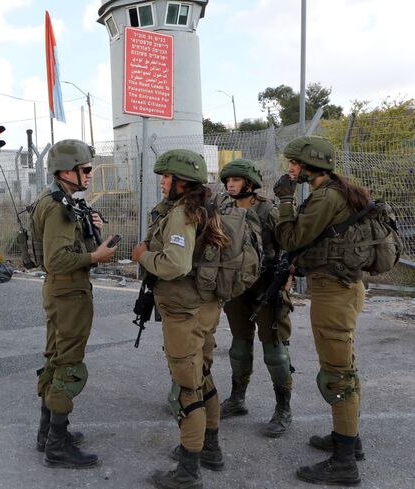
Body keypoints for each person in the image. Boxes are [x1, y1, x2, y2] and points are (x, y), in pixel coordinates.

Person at [131, 149, 229, 489]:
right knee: (202, 374)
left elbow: (175, 265)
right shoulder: (205, 206)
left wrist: (144, 257)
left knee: (188, 387)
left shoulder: (182, 214)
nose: (162, 181)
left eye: (166, 176)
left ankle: (188, 472)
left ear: (182, 181)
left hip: (184, 309)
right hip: (204, 305)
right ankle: (210, 448)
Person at [274, 136, 368, 486]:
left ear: (311, 166)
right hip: (345, 288)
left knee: (338, 374)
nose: (291, 169)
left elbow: (290, 238)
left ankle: (344, 462)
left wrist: (284, 199)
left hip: (333, 291)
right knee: (346, 367)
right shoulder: (336, 191)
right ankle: (349, 439)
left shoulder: (326, 197)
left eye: (295, 164)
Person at [31, 139, 116, 469]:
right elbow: (57, 260)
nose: (90, 174)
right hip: (68, 293)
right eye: (85, 169)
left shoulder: (60, 199)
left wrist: (88, 229)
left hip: (62, 292)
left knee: (55, 358)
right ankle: (56, 446)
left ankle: (47, 434)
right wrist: (97, 256)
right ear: (67, 171)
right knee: (67, 364)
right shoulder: (57, 207)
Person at [216, 159, 295, 438]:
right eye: (227, 180)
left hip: (266, 286)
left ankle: (283, 409)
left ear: (249, 183)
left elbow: (289, 244)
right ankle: (238, 399)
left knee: (274, 351)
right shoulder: (223, 207)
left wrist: (287, 274)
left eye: (235, 180)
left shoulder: (267, 209)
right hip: (236, 286)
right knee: (239, 347)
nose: (229, 184)